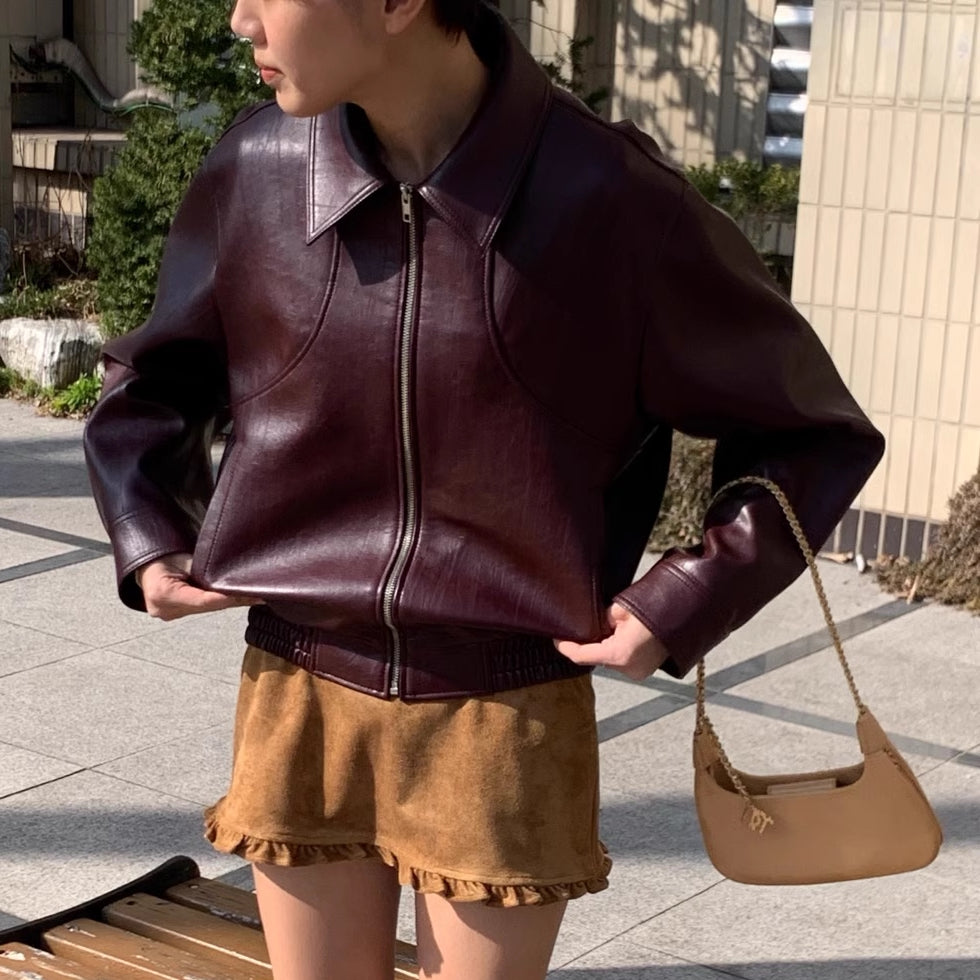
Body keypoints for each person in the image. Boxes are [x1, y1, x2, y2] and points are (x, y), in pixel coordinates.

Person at [82, 0, 885, 977]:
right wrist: (149, 533)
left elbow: (809, 431)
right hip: (299, 687)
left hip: (501, 712)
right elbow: (152, 380)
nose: (240, 19)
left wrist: (678, 601)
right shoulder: (256, 169)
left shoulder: (613, 198)